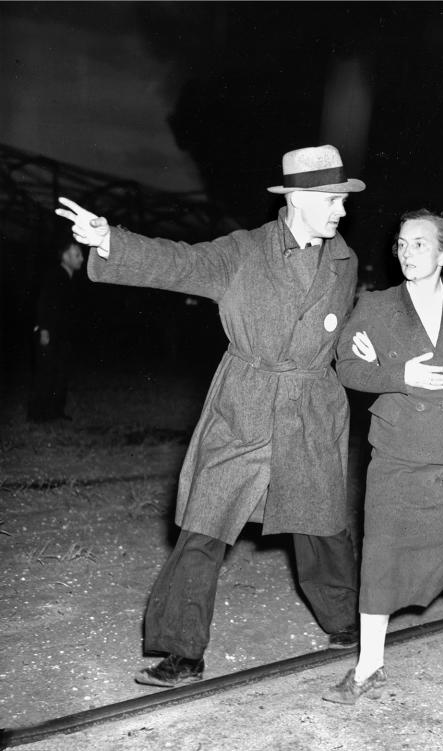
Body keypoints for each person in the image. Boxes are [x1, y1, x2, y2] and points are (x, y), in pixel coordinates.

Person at [55, 145, 366, 688]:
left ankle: (345, 619)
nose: (340, 210)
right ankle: (181, 650)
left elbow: (338, 331)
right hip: (245, 403)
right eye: (330, 199)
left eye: (342, 198)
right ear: (294, 199)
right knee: (205, 523)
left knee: (322, 524)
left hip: (312, 406)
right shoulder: (244, 252)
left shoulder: (345, 260)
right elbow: (181, 263)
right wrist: (110, 240)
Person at [322, 210, 443, 704]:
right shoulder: (375, 306)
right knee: (381, 549)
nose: (406, 253)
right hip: (399, 450)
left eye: (419, 244)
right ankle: (368, 666)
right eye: (401, 244)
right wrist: (399, 374)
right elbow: (348, 367)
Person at [27, 240, 85, 421]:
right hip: (50, 335)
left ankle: (55, 412)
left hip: (62, 336)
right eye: (77, 255)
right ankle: (37, 415)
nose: (82, 259)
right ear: (65, 256)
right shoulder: (55, 276)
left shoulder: (69, 279)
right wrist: (44, 331)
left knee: (60, 375)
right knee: (46, 374)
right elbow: (44, 304)